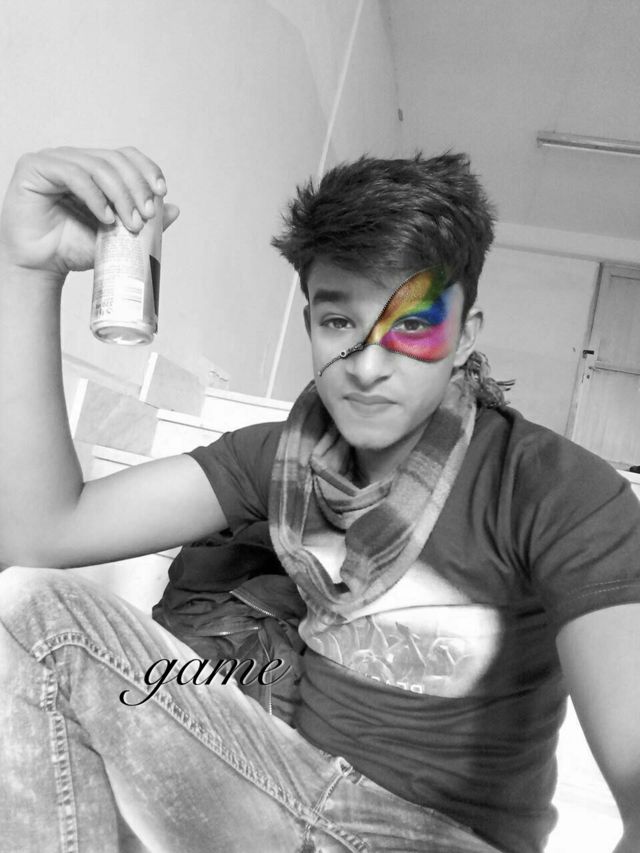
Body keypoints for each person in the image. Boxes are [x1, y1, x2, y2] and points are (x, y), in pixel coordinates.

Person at [0, 147, 639, 853]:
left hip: (438, 836)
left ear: (465, 337)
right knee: (31, 608)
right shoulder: (280, 458)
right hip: (285, 788)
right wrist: (29, 270)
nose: (367, 367)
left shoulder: (552, 488)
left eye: (412, 325)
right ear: (310, 321)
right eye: (339, 322)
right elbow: (40, 536)